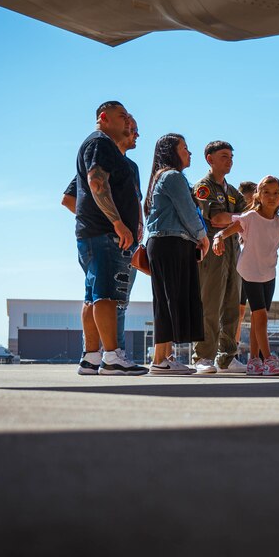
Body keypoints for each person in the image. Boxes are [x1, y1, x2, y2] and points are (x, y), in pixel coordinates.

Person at [212, 175, 279, 376]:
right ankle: (267, 359)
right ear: (258, 195)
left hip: (268, 273)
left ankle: (253, 361)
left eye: (276, 193)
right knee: (261, 316)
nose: (271, 197)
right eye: (267, 192)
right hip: (249, 271)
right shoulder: (250, 217)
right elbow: (226, 231)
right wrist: (218, 238)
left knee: (259, 319)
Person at [73, 101, 147, 375]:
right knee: (106, 296)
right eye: (122, 116)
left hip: (93, 233)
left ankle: (91, 358)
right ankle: (112, 357)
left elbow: (79, 195)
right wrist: (117, 222)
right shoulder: (100, 143)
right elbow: (95, 181)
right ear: (103, 118)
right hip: (104, 235)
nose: (127, 122)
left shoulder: (99, 147)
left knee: (93, 296)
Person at [143, 133, 210, 375]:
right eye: (184, 148)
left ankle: (164, 357)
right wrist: (203, 237)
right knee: (170, 300)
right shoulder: (172, 176)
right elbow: (188, 212)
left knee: (167, 299)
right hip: (171, 243)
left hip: (166, 244)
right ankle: (161, 360)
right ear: (172, 151)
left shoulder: (161, 178)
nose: (189, 153)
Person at [190, 142, 248, 375]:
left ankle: (227, 357)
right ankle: (203, 355)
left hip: (233, 251)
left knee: (232, 306)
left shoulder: (232, 192)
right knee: (210, 304)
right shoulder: (204, 187)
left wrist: (236, 218)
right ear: (209, 159)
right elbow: (216, 218)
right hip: (212, 252)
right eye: (224, 156)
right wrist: (238, 218)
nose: (229, 160)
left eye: (231, 156)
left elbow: (242, 218)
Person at [234, 180, 257, 352]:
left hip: (251, 267)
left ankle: (237, 350)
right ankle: (228, 350)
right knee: (235, 311)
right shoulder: (236, 218)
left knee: (244, 312)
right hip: (234, 265)